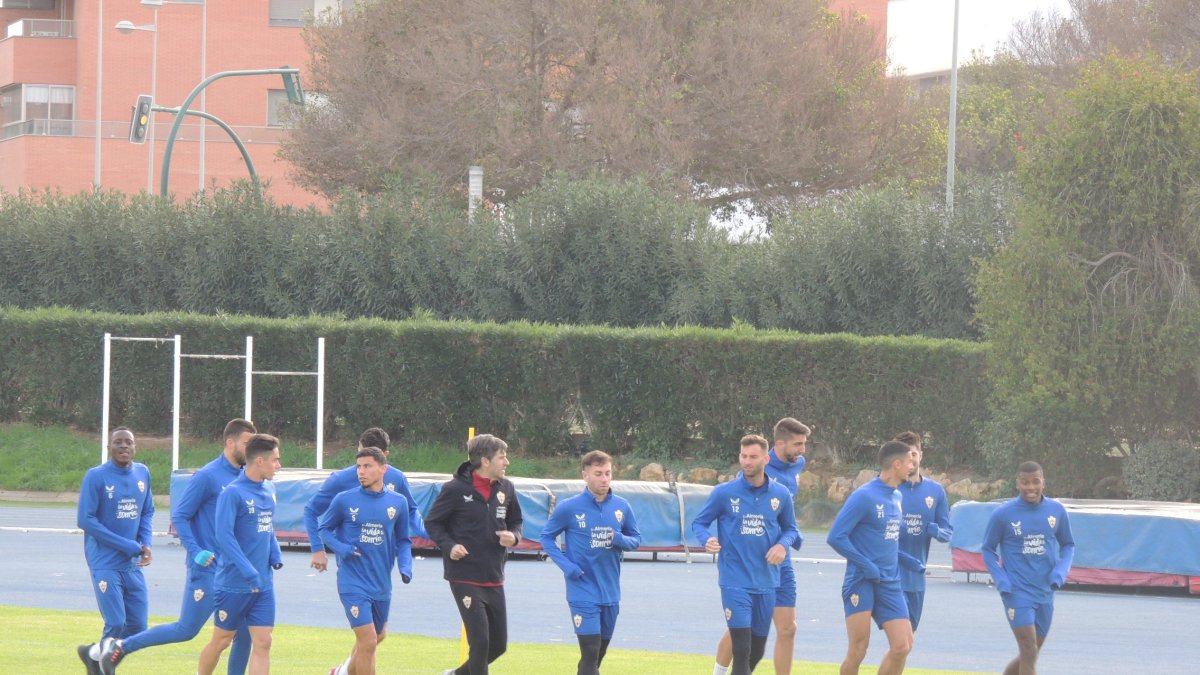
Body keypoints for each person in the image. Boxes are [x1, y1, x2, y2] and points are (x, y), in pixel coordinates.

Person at [100, 419, 257, 675]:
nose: (251, 449)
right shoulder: (207, 476)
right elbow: (181, 516)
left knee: (245, 633)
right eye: (247, 443)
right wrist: (196, 551)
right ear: (230, 443)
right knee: (187, 629)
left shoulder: (244, 476)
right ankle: (121, 647)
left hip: (234, 571)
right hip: (207, 569)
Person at [692, 435, 800, 675]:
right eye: (743, 456)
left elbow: (791, 529)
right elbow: (699, 523)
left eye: (753, 457)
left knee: (757, 650)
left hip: (767, 582)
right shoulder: (724, 493)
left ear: (765, 458)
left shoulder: (780, 494)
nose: (747, 461)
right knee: (742, 649)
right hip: (735, 581)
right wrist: (706, 539)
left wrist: (782, 545)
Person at [425, 433, 523, 675]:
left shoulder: (506, 488)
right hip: (464, 575)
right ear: (485, 461)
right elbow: (433, 523)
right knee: (480, 643)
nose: (507, 462)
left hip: (494, 574)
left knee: (498, 646)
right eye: (502, 457)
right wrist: (450, 546)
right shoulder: (455, 489)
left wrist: (515, 536)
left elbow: (517, 521)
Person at [539, 450, 642, 675]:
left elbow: (636, 540)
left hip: (610, 591)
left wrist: (619, 539)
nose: (604, 479)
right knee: (590, 652)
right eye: (598, 474)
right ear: (585, 475)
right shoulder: (569, 507)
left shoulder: (622, 506)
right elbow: (546, 537)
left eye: (608, 473)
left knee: (597, 656)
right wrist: (568, 567)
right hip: (582, 588)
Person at [826, 440, 922, 675]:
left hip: (890, 582)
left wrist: (907, 560)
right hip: (861, 580)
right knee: (858, 650)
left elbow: (884, 540)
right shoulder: (864, 496)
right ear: (897, 464)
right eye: (910, 461)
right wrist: (866, 565)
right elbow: (836, 537)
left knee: (903, 645)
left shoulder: (898, 497)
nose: (914, 465)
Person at [318, 446, 414, 675]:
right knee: (369, 640)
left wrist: (405, 566)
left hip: (381, 583)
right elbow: (324, 529)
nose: (361, 471)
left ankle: (340, 672)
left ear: (383, 469)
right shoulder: (344, 500)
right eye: (359, 467)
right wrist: (343, 549)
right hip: (353, 581)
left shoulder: (397, 502)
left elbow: (404, 539)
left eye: (367, 466)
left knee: (377, 637)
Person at [196, 434, 284, 675]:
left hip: (264, 585)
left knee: (264, 642)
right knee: (222, 641)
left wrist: (274, 552)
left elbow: (266, 525)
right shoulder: (232, 493)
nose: (278, 465)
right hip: (234, 584)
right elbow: (224, 537)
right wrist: (248, 571)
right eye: (275, 460)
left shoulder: (268, 489)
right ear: (258, 461)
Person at [981, 461, 1075, 675]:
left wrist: (1060, 572)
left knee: (1031, 652)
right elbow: (987, 549)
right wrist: (1001, 579)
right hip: (1016, 592)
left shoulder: (1056, 510)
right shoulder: (1003, 514)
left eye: (1035, 482)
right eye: (1025, 482)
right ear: (1017, 483)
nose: (1030, 487)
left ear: (1043, 482)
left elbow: (1068, 545)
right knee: (1027, 647)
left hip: (1045, 592)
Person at [76, 427, 155, 675]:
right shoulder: (96, 476)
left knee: (138, 627)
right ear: (109, 447)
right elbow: (85, 520)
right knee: (116, 622)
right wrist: (128, 545)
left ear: (135, 447)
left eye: (128, 442)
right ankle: (103, 670)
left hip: (130, 562)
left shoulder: (142, 473)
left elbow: (147, 511)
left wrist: (145, 543)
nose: (124, 446)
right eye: (118, 442)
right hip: (104, 561)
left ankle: (92, 655)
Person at [304, 427, 425, 574]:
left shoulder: (397, 478)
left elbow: (411, 510)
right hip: (350, 563)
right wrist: (317, 548)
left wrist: (427, 532)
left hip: (382, 564)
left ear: (384, 456)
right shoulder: (340, 480)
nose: (362, 469)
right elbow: (311, 510)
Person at [893, 431, 952, 633]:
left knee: (907, 640)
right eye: (903, 456)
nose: (909, 461)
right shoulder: (886, 488)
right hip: (890, 576)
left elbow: (947, 532)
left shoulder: (935, 492)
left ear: (920, 455)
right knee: (899, 639)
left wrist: (935, 531)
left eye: (913, 455)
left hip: (916, 580)